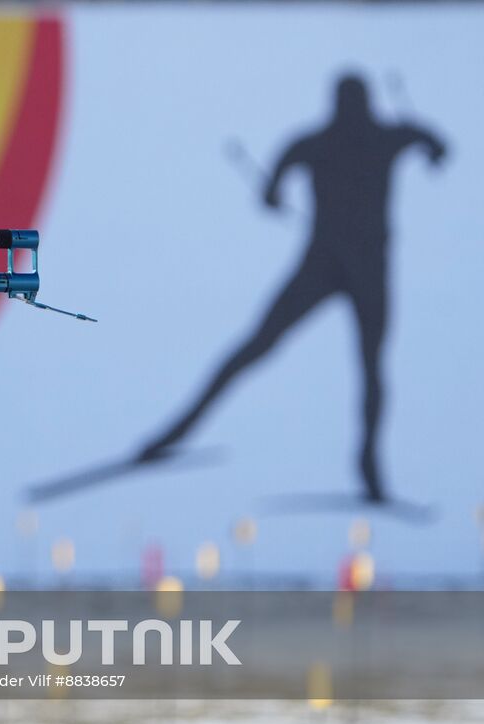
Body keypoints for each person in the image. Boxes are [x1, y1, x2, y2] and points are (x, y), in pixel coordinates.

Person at [136, 74, 446, 502]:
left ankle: (369, 465)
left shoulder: (335, 141)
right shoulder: (370, 138)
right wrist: (431, 151)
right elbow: (434, 144)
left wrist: (273, 195)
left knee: (354, 365)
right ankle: (179, 430)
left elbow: (434, 143)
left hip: (354, 266)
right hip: (332, 263)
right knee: (278, 349)